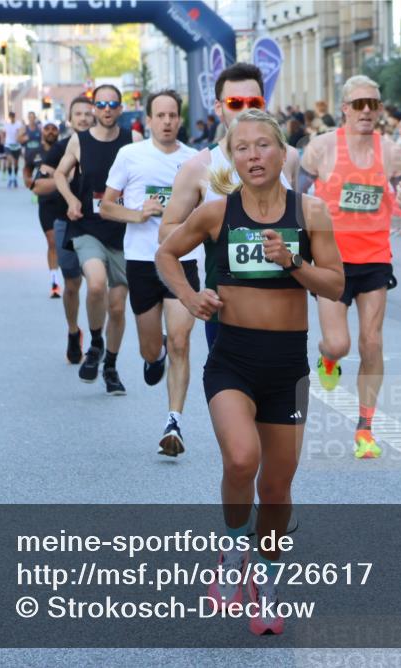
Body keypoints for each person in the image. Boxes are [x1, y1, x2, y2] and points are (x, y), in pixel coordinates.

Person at [156, 109, 344, 635]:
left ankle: (265, 578)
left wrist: (293, 262)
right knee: (242, 459)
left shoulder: (311, 212)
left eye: (263, 145)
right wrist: (189, 296)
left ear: (283, 153)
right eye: (242, 148)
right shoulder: (216, 213)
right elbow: (166, 254)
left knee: (278, 489)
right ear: (231, 159)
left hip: (288, 367)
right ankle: (233, 550)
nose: (253, 155)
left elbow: (335, 285)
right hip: (232, 359)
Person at [298, 74, 401, 459]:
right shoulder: (320, 148)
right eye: (359, 104)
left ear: (379, 109)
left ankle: (365, 428)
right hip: (331, 260)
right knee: (339, 343)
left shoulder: (391, 152)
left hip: (374, 258)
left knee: (372, 342)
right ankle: (328, 359)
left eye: (373, 104)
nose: (367, 110)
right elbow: (294, 198)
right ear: (345, 109)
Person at [161, 62, 302, 352]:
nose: (246, 110)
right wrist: (206, 233)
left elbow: (298, 222)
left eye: (254, 102)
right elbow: (167, 231)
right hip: (227, 309)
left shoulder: (288, 157)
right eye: (236, 103)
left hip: (284, 305)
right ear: (219, 108)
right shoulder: (198, 167)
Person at [99, 89, 199, 456]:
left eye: (173, 115)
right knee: (152, 347)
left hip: (184, 259)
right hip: (142, 260)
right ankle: (153, 356)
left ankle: (174, 423)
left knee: (181, 342)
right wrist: (138, 213)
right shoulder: (130, 155)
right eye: (161, 115)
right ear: (149, 120)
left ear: (179, 119)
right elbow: (106, 206)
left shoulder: (195, 161)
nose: (167, 121)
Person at [54, 85, 133, 395]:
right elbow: (59, 174)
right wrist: (71, 199)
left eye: (112, 104)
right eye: (101, 104)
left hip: (124, 231)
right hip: (88, 226)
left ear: (120, 108)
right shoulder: (80, 140)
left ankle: (110, 366)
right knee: (97, 285)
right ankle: (96, 341)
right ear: (95, 108)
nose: (106, 110)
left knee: (118, 307)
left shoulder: (132, 140)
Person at [34, 96, 95, 364]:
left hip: (99, 223)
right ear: (70, 120)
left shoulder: (108, 146)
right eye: (78, 114)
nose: (83, 118)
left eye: (87, 113)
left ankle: (98, 339)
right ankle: (73, 331)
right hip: (65, 221)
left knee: (98, 283)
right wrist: (66, 179)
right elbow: (38, 186)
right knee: (72, 285)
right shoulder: (59, 149)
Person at [23, 121, 62, 297]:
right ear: (42, 132)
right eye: (47, 129)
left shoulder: (65, 150)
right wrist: (30, 183)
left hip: (65, 201)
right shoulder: (34, 152)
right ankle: (54, 281)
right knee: (52, 242)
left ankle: (69, 273)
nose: (51, 132)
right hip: (45, 203)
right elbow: (27, 170)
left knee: (67, 244)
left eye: (54, 129)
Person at [2, 111, 23, 188]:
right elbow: (3, 133)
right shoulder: (6, 124)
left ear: (15, 117)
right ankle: (10, 177)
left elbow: (20, 132)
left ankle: (15, 178)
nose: (12, 118)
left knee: (16, 163)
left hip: (17, 145)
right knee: (10, 160)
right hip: (8, 145)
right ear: (9, 117)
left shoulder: (18, 124)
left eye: (13, 116)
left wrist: (19, 135)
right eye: (11, 117)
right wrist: (3, 140)